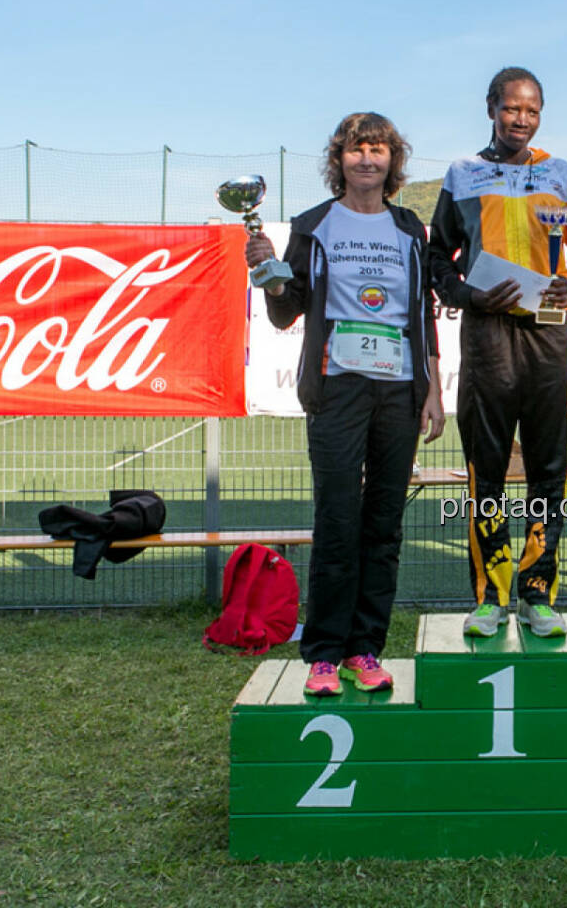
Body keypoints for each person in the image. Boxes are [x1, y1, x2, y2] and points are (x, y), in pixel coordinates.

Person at [247, 112, 445, 697]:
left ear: (393, 160)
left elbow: (422, 311)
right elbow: (289, 309)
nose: (367, 158)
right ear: (339, 161)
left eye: (378, 149)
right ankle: (325, 654)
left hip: (400, 389)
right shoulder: (313, 225)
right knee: (337, 519)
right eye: (357, 149)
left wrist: (433, 385)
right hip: (337, 388)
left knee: (383, 524)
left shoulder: (411, 228)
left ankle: (366, 648)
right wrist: (271, 277)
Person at [427, 67, 567, 639]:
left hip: (548, 335)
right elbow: (437, 259)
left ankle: (537, 592)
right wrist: (468, 294)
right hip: (487, 337)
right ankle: (489, 595)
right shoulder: (462, 174)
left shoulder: (560, 172)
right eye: (511, 109)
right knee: (488, 471)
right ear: (491, 108)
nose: (520, 120)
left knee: (549, 469)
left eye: (531, 111)